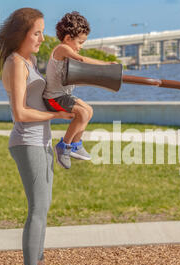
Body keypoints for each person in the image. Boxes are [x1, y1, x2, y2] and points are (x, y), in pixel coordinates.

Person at [0, 7, 72, 265]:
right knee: (36, 209)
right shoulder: (15, 64)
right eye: (36, 32)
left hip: (42, 141)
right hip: (27, 141)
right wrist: (57, 118)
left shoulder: (30, 60)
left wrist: (66, 106)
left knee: (44, 207)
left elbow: (43, 100)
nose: (41, 37)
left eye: (41, 31)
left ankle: (40, 264)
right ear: (21, 34)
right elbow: (20, 113)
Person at [43, 11, 118, 169]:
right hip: (53, 99)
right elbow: (82, 61)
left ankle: (76, 144)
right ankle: (64, 146)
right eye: (80, 42)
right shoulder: (62, 49)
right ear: (68, 38)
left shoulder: (67, 51)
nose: (81, 47)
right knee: (82, 113)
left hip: (64, 95)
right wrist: (106, 65)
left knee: (88, 111)